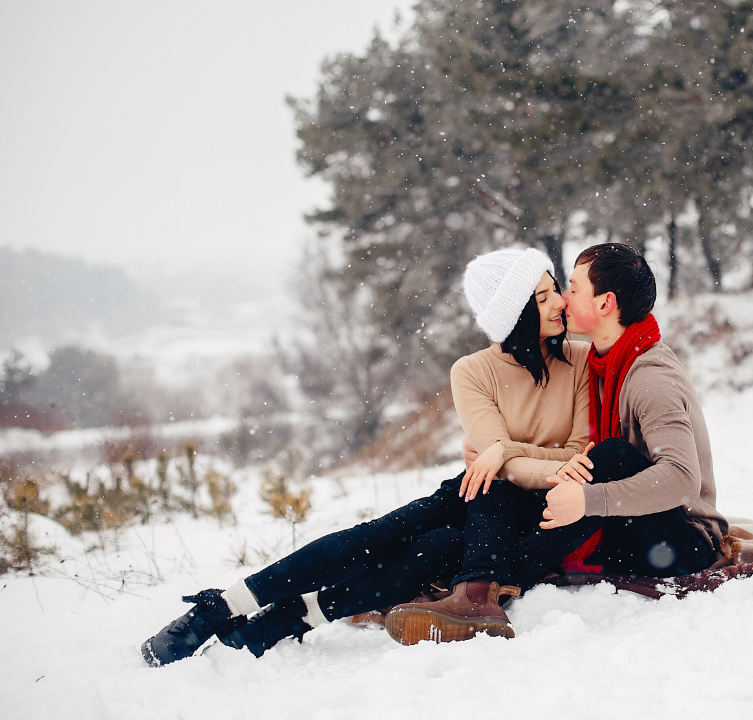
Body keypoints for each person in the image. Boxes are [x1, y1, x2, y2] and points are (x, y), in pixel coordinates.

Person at [140, 247, 592, 665]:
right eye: (543, 297)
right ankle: (222, 608)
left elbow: (563, 455)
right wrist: (507, 456)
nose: (560, 302)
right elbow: (498, 464)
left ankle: (290, 618)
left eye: (555, 290)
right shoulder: (473, 371)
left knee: (437, 548)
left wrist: (505, 450)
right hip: (481, 489)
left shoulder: (579, 360)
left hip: (537, 504)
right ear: (514, 315)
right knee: (379, 534)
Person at [385, 242, 728, 644]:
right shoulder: (602, 361)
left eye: (574, 288)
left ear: (605, 304)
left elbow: (682, 478)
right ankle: (465, 589)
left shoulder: (651, 377)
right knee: (486, 495)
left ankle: (500, 581)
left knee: (612, 455)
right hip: (623, 524)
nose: (563, 299)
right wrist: (500, 451)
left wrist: (587, 500)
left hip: (679, 539)